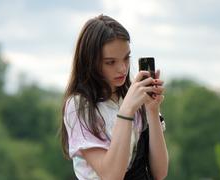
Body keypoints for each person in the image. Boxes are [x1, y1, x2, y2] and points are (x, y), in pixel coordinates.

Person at [60, 14, 169, 180]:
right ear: (90, 62)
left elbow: (159, 173)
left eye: (126, 58)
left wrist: (152, 111)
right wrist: (127, 110)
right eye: (110, 62)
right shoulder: (80, 106)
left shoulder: (133, 97)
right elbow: (111, 176)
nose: (122, 69)